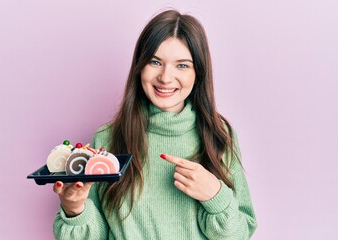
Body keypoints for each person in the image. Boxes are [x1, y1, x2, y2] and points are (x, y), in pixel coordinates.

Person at [53, 9, 257, 240]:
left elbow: (240, 234)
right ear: (140, 66)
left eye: (182, 65)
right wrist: (74, 210)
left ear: (198, 72)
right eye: (155, 62)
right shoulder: (108, 138)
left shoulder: (219, 135)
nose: (166, 77)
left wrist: (215, 195)